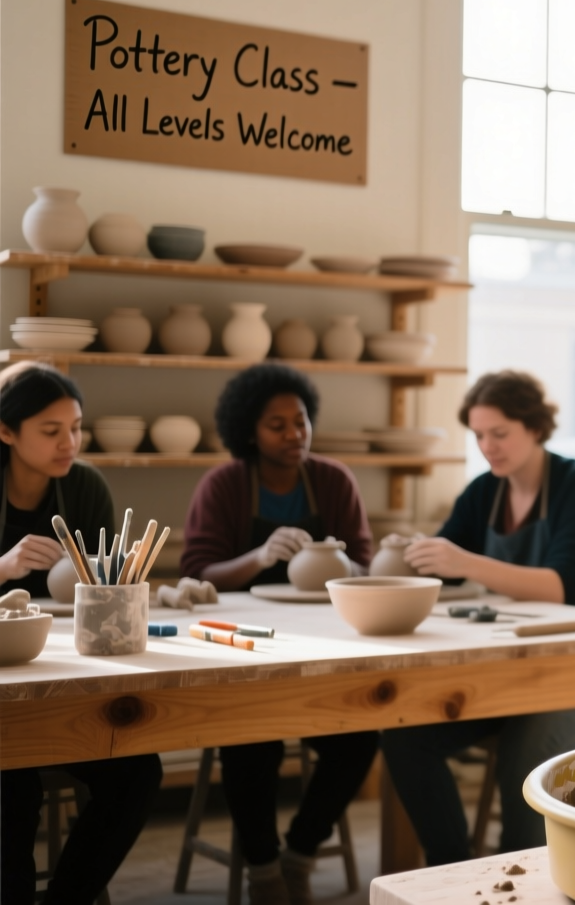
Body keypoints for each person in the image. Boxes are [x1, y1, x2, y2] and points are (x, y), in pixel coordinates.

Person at [380, 371, 575, 863]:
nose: (487, 446)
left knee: (525, 769)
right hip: (513, 661)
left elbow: (564, 586)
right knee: (405, 735)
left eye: (499, 433)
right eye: (477, 435)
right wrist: (409, 552)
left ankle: (521, 870)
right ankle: (451, 871)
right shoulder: (483, 492)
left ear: (534, 427)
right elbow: (446, 570)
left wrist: (463, 560)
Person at [180, 363, 377, 905]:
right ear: (249, 430)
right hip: (242, 649)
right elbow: (196, 572)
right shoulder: (225, 484)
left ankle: (301, 853)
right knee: (250, 738)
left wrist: (339, 563)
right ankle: (263, 872)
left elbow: (365, 565)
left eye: (302, 420)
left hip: (321, 645)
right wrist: (259, 557)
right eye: (277, 425)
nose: (295, 434)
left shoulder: (333, 480)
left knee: (362, 734)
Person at [0, 363, 162, 905]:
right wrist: (3, 566)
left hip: (65, 673)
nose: (69, 443)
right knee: (9, 782)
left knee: (138, 770)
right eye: (51, 431)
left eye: (76, 428)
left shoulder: (86, 486)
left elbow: (105, 589)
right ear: (5, 431)